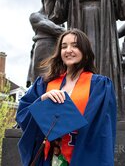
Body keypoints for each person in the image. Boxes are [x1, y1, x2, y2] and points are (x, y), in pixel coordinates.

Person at [16, 28, 117, 166]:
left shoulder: (99, 85)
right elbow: (23, 113)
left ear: (85, 51)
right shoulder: (44, 84)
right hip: (51, 158)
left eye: (75, 45)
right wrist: (42, 100)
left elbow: (101, 129)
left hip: (83, 156)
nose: (68, 50)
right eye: (64, 46)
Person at [26, 0, 65, 87]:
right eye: (52, 1)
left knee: (58, 82)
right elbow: (56, 30)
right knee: (41, 82)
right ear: (44, 1)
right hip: (43, 50)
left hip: (58, 51)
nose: (55, 4)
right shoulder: (35, 16)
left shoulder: (58, 21)